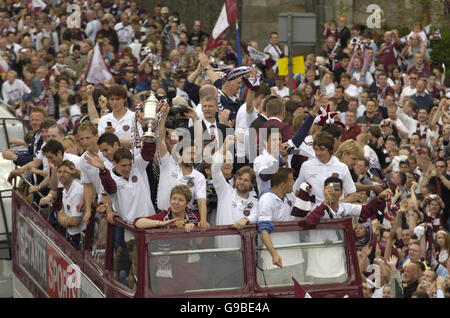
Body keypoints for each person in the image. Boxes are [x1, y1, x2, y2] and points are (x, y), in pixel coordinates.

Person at [304, 177, 392, 282]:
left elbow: (366, 211)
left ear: (341, 192)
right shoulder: (317, 207)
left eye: (336, 189)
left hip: (339, 264)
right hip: (318, 266)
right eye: (330, 189)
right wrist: (326, 201)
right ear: (324, 191)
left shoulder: (344, 207)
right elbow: (309, 221)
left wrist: (379, 198)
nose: (333, 193)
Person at [133, 184, 201, 295]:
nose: (176, 202)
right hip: (167, 271)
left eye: (180, 200)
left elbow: (202, 242)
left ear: (187, 203)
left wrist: (195, 229)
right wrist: (161, 223)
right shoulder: (163, 216)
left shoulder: (195, 218)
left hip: (190, 270)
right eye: (174, 199)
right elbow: (137, 222)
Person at [157, 100, 209, 231]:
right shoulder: (168, 164)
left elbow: (202, 200)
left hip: (185, 221)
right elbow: (160, 140)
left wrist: (203, 220)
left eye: (194, 153)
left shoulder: (199, 176)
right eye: (189, 153)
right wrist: (163, 116)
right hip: (162, 217)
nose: (193, 156)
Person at [257, 168, 304, 285]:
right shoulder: (267, 199)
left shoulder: (290, 197)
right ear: (283, 184)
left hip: (296, 259)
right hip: (276, 262)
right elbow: (263, 231)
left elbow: (306, 212)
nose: (293, 183)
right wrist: (274, 254)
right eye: (291, 180)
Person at [97, 85, 143, 149]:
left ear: (125, 99)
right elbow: (101, 145)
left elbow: (139, 143)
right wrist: (106, 135)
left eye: (118, 99)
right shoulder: (103, 120)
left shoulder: (135, 117)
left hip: (131, 157)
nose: (115, 102)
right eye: (112, 99)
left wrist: (113, 139)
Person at [57, 160, 86, 250]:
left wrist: (62, 220)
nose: (61, 174)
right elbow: (62, 210)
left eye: (65, 172)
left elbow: (75, 221)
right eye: (59, 172)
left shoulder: (77, 191)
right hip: (71, 234)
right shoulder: (64, 190)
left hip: (80, 237)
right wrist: (64, 219)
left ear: (72, 174)